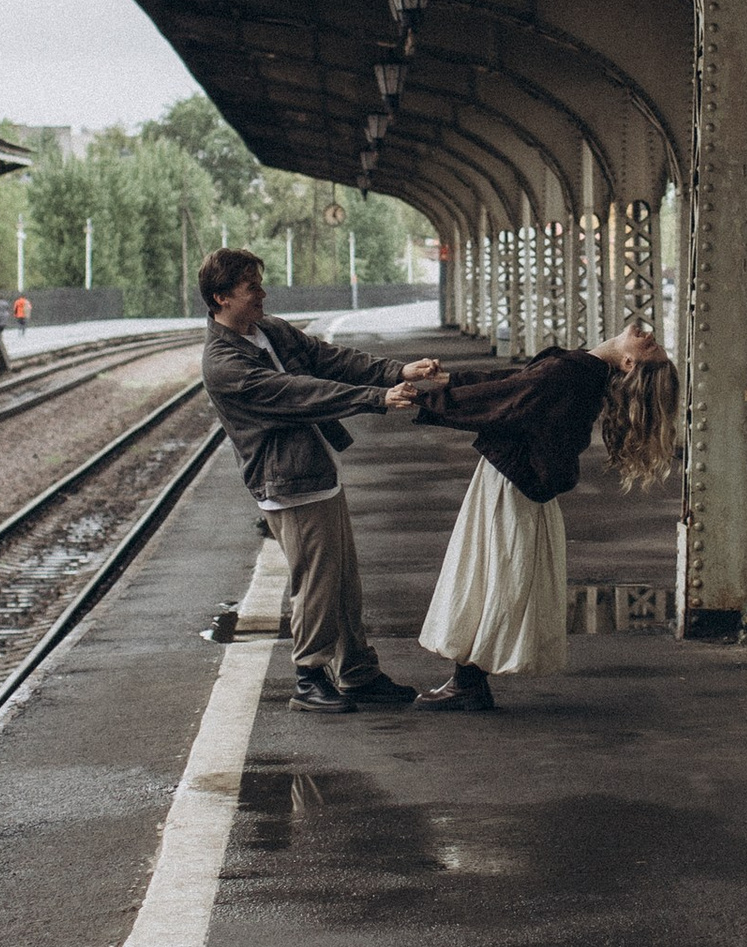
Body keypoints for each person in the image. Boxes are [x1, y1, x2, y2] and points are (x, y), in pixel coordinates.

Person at [197, 247, 447, 711]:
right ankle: (308, 676)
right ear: (221, 297)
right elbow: (301, 393)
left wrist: (398, 370)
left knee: (343, 581)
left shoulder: (268, 331)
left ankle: (356, 671)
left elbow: (327, 359)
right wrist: (377, 397)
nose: (262, 294)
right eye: (251, 288)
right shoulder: (224, 364)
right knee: (316, 581)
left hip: (316, 472)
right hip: (286, 483)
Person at [410, 328, 682, 711]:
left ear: (628, 362)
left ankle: (467, 684)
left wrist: (426, 400)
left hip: (510, 481)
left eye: (649, 346)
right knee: (496, 575)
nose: (648, 333)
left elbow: (504, 399)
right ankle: (467, 681)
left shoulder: (572, 374)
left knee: (489, 575)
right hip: (517, 480)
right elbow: (513, 385)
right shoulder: (581, 372)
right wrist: (450, 382)